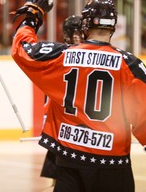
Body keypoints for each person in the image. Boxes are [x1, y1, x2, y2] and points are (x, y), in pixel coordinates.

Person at [11, 0, 146, 192]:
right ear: (113, 27)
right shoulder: (130, 65)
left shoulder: (60, 56)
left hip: (69, 162)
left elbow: (22, 48)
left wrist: (32, 13)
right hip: (112, 166)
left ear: (85, 25)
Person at [40, 14, 83, 184]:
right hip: (62, 123)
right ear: (67, 34)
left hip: (77, 125)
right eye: (75, 33)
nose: (78, 36)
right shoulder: (59, 54)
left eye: (80, 32)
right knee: (62, 175)